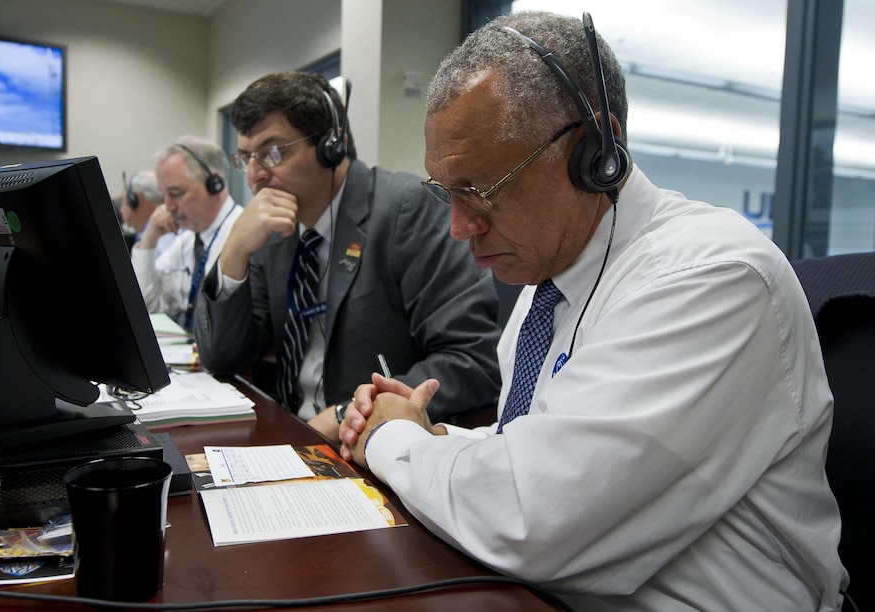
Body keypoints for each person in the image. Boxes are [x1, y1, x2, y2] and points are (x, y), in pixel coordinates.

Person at [338, 11, 848, 611]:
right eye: (444, 192)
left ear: (592, 150)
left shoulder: (712, 278)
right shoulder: (550, 284)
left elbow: (533, 519)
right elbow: (550, 449)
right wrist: (436, 433)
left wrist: (392, 438)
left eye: (480, 190)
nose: (458, 226)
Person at [192, 71, 502, 440]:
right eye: (246, 159)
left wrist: (348, 413)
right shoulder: (272, 233)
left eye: (273, 152)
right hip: (290, 432)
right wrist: (234, 251)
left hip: (371, 449)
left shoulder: (405, 211)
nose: (255, 176)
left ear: (331, 145)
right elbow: (222, 359)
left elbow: (473, 361)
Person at [132, 136, 241, 327]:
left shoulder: (242, 234)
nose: (167, 206)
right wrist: (148, 240)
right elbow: (147, 303)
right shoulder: (188, 239)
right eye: (163, 194)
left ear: (214, 184)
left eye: (176, 194)